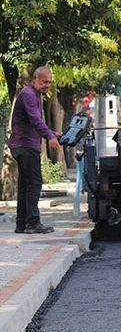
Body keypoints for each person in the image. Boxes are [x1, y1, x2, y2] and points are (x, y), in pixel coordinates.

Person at [8, 67, 61, 234]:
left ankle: (21, 224)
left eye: (49, 82)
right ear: (34, 79)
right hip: (26, 145)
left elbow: (33, 123)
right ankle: (32, 222)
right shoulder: (29, 95)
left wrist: (52, 133)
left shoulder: (34, 95)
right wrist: (49, 136)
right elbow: (35, 119)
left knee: (25, 185)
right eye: (44, 82)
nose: (47, 85)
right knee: (34, 183)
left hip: (23, 145)